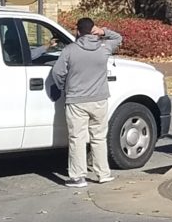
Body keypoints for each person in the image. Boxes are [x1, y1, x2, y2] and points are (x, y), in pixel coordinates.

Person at [51, 18, 123, 188]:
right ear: (92, 30)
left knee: (77, 138)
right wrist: (103, 31)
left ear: (78, 31)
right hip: (99, 99)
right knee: (99, 137)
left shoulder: (70, 50)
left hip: (76, 100)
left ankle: (78, 177)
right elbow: (118, 38)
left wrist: (64, 87)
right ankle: (103, 173)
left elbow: (57, 72)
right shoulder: (104, 48)